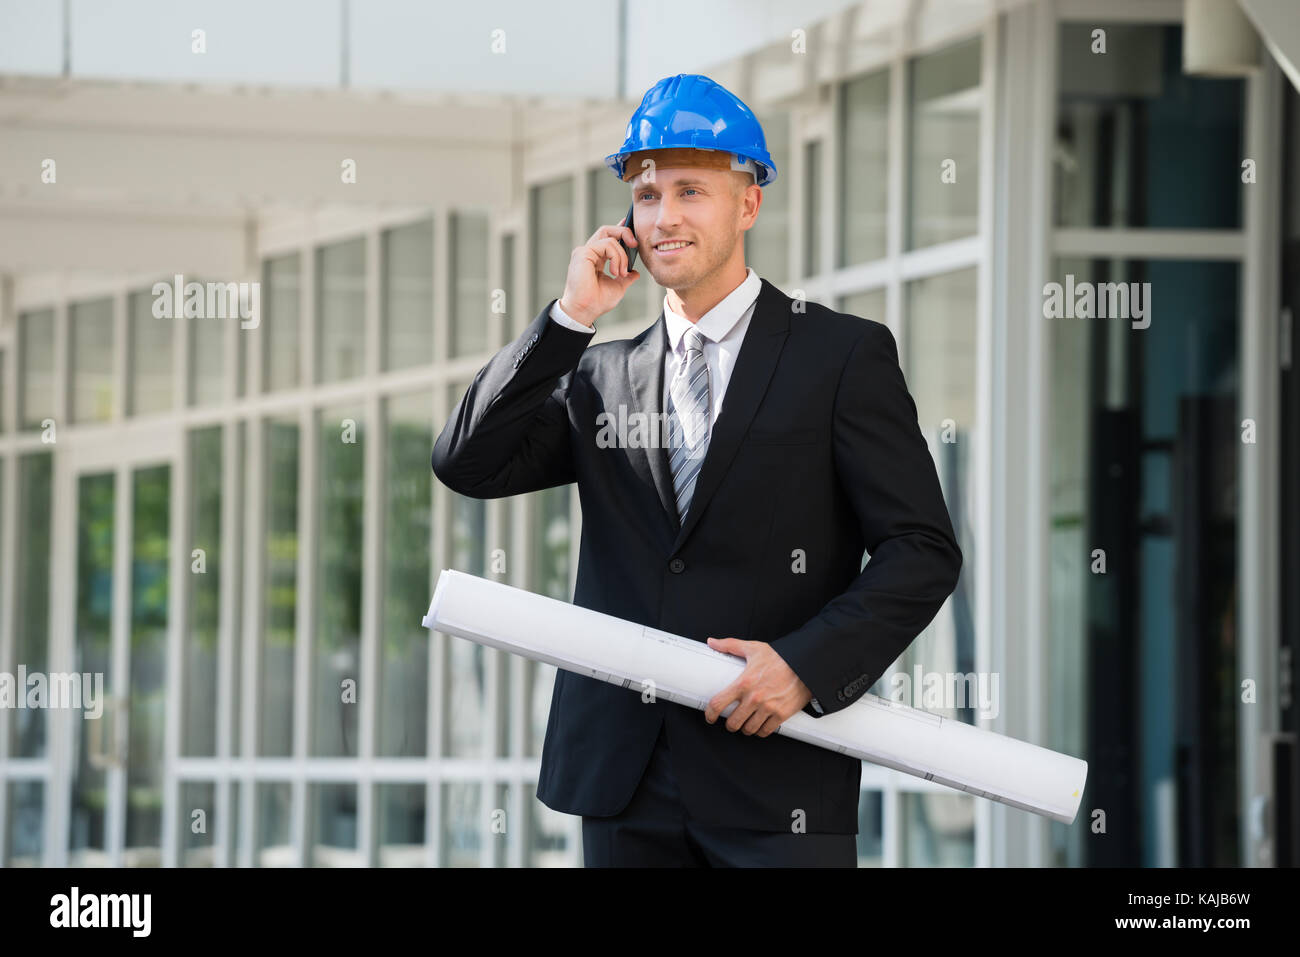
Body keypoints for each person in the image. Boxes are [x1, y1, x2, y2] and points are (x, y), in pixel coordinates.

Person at [432, 73, 962, 867]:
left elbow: (922, 548)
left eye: (691, 191)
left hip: (776, 775)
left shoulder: (841, 356)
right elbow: (466, 459)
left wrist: (806, 665)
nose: (665, 215)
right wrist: (572, 317)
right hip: (623, 779)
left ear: (748, 204)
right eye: (646, 196)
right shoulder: (599, 375)